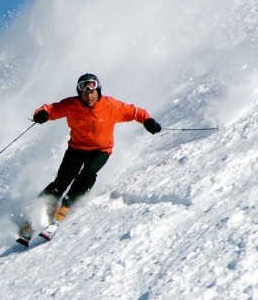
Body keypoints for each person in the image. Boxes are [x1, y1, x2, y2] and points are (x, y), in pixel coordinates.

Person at [21, 73, 160, 241]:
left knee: (87, 174)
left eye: (92, 92)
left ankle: (66, 206)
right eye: (85, 92)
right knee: (62, 180)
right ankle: (41, 209)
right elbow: (51, 109)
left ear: (98, 91)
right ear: (80, 93)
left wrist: (148, 121)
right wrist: (41, 114)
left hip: (100, 150)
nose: (89, 96)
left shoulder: (111, 106)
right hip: (76, 149)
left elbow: (135, 111)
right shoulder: (72, 105)